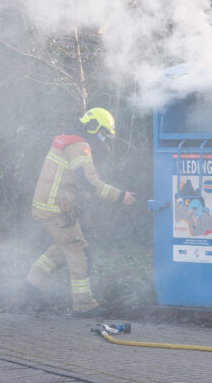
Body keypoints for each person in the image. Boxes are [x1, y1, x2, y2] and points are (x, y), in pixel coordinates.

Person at [24, 107, 136, 317]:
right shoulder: (79, 145)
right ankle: (84, 305)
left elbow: (72, 178)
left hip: (49, 203)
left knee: (64, 245)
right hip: (57, 207)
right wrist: (119, 195)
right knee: (79, 251)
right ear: (93, 128)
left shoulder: (68, 139)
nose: (103, 139)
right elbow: (87, 179)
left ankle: (32, 282)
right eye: (103, 133)